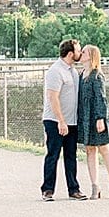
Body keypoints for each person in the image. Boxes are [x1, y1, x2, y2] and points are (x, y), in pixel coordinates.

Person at [40, 38, 87, 201]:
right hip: (55, 120)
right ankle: (47, 190)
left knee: (70, 156)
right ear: (70, 53)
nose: (80, 53)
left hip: (71, 121)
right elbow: (53, 97)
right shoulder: (56, 71)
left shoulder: (73, 71)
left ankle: (73, 189)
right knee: (53, 154)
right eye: (78, 50)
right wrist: (61, 121)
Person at [77, 44, 109, 199]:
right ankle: (95, 186)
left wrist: (100, 118)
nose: (81, 53)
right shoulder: (81, 75)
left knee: (104, 149)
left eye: (84, 52)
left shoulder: (96, 75)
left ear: (92, 55)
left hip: (96, 116)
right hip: (85, 117)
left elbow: (101, 97)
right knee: (90, 150)